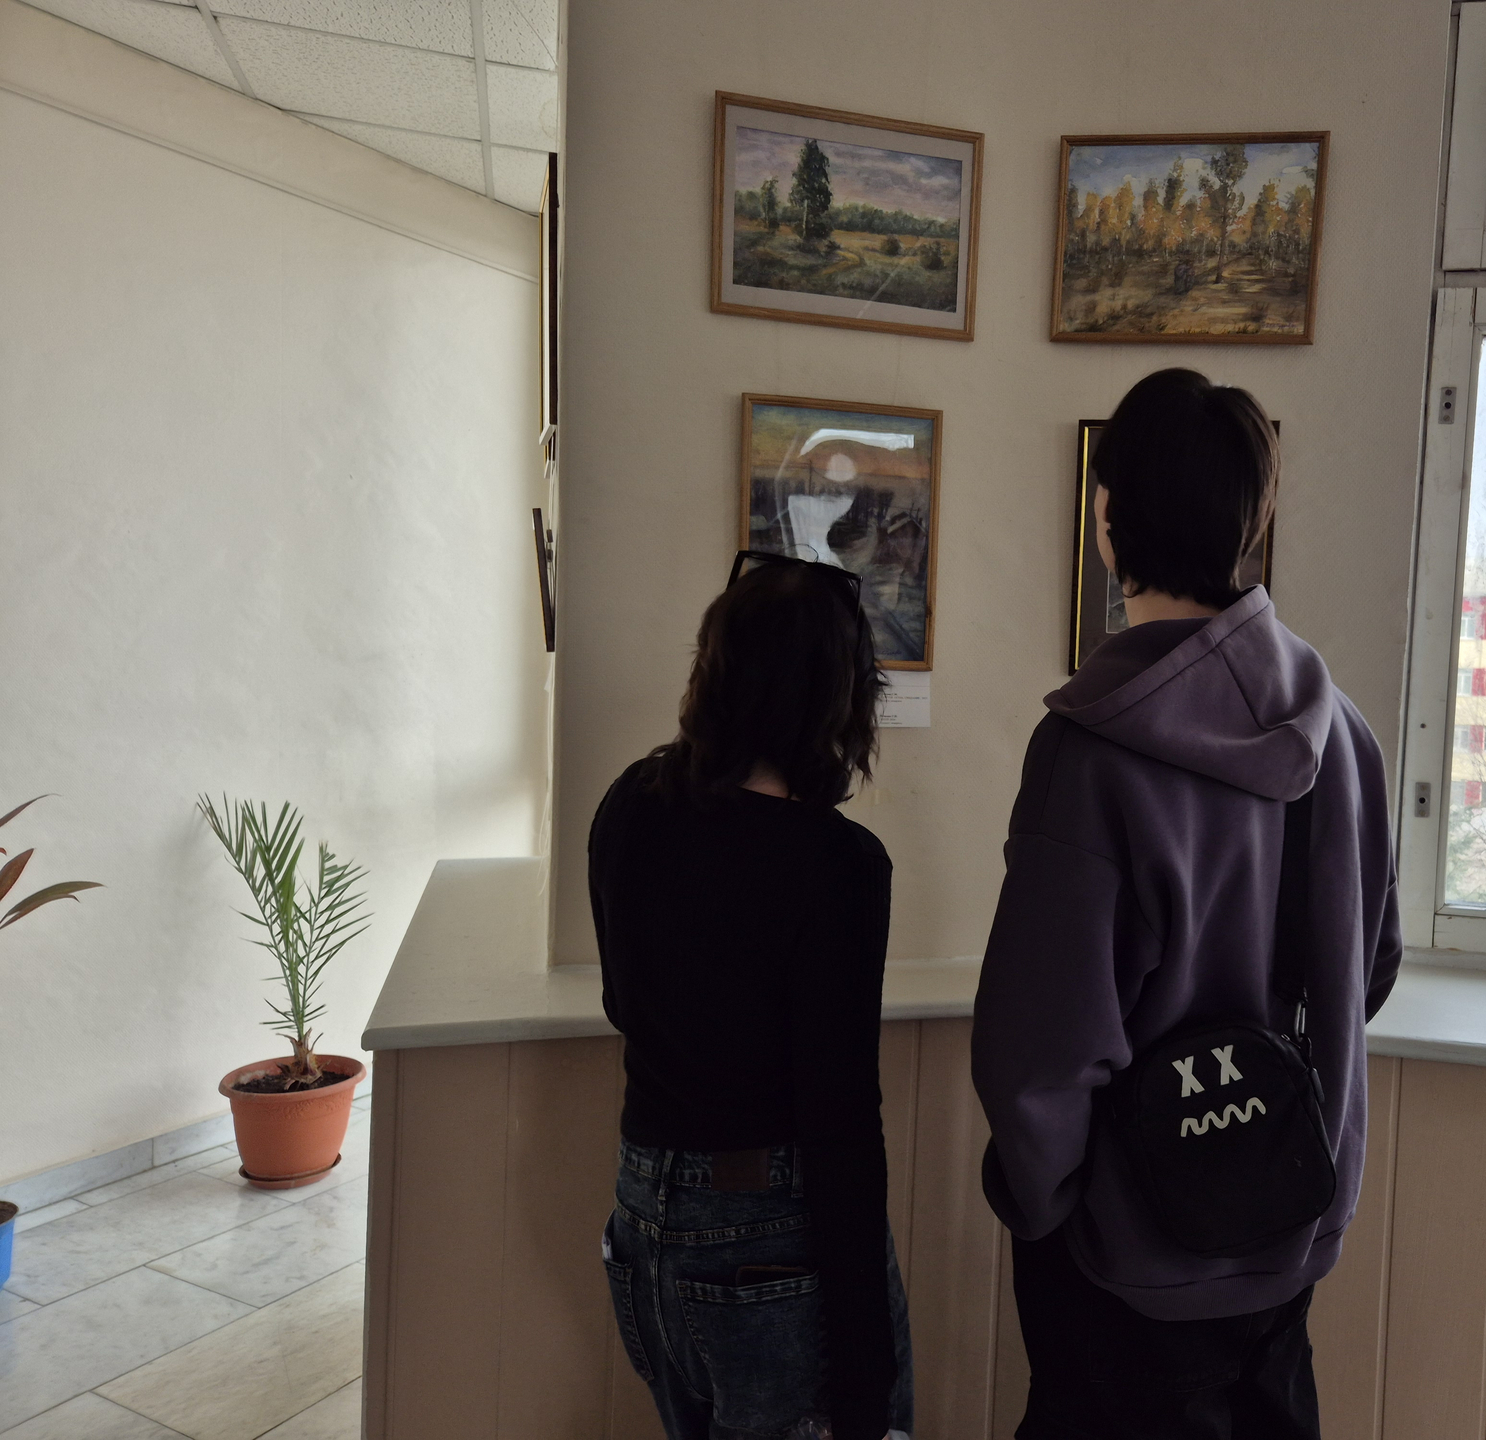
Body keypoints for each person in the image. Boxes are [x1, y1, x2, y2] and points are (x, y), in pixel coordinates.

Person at [972, 369, 1402, 1439]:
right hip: (1290, 1218)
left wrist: (1050, 1207)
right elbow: (1370, 966)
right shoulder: (1342, 732)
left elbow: (1040, 1051)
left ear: (1106, 518)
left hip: (1126, 1258)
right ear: (1253, 520)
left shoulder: (1088, 753)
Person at [591, 551, 912, 1440]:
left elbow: (623, 1001)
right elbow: (841, 1120)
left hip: (642, 1215)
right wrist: (866, 1372)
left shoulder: (631, 803)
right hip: (767, 1237)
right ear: (839, 698)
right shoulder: (839, 867)